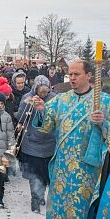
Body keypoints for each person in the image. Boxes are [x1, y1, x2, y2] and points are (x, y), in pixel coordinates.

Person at [32, 60, 110, 218]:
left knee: (81, 210)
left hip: (87, 169)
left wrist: (103, 123)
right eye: (70, 74)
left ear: (88, 75)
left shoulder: (104, 102)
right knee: (59, 209)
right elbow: (46, 128)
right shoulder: (61, 100)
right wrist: (41, 110)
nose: (72, 78)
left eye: (76, 74)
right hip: (61, 167)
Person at [16, 75, 56, 213]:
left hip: (50, 143)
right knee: (34, 175)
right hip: (32, 144)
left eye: (46, 91)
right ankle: (35, 200)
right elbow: (19, 116)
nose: (43, 94)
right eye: (41, 91)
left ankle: (40, 195)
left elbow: (57, 117)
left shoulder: (54, 98)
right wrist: (26, 103)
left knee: (45, 174)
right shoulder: (28, 96)